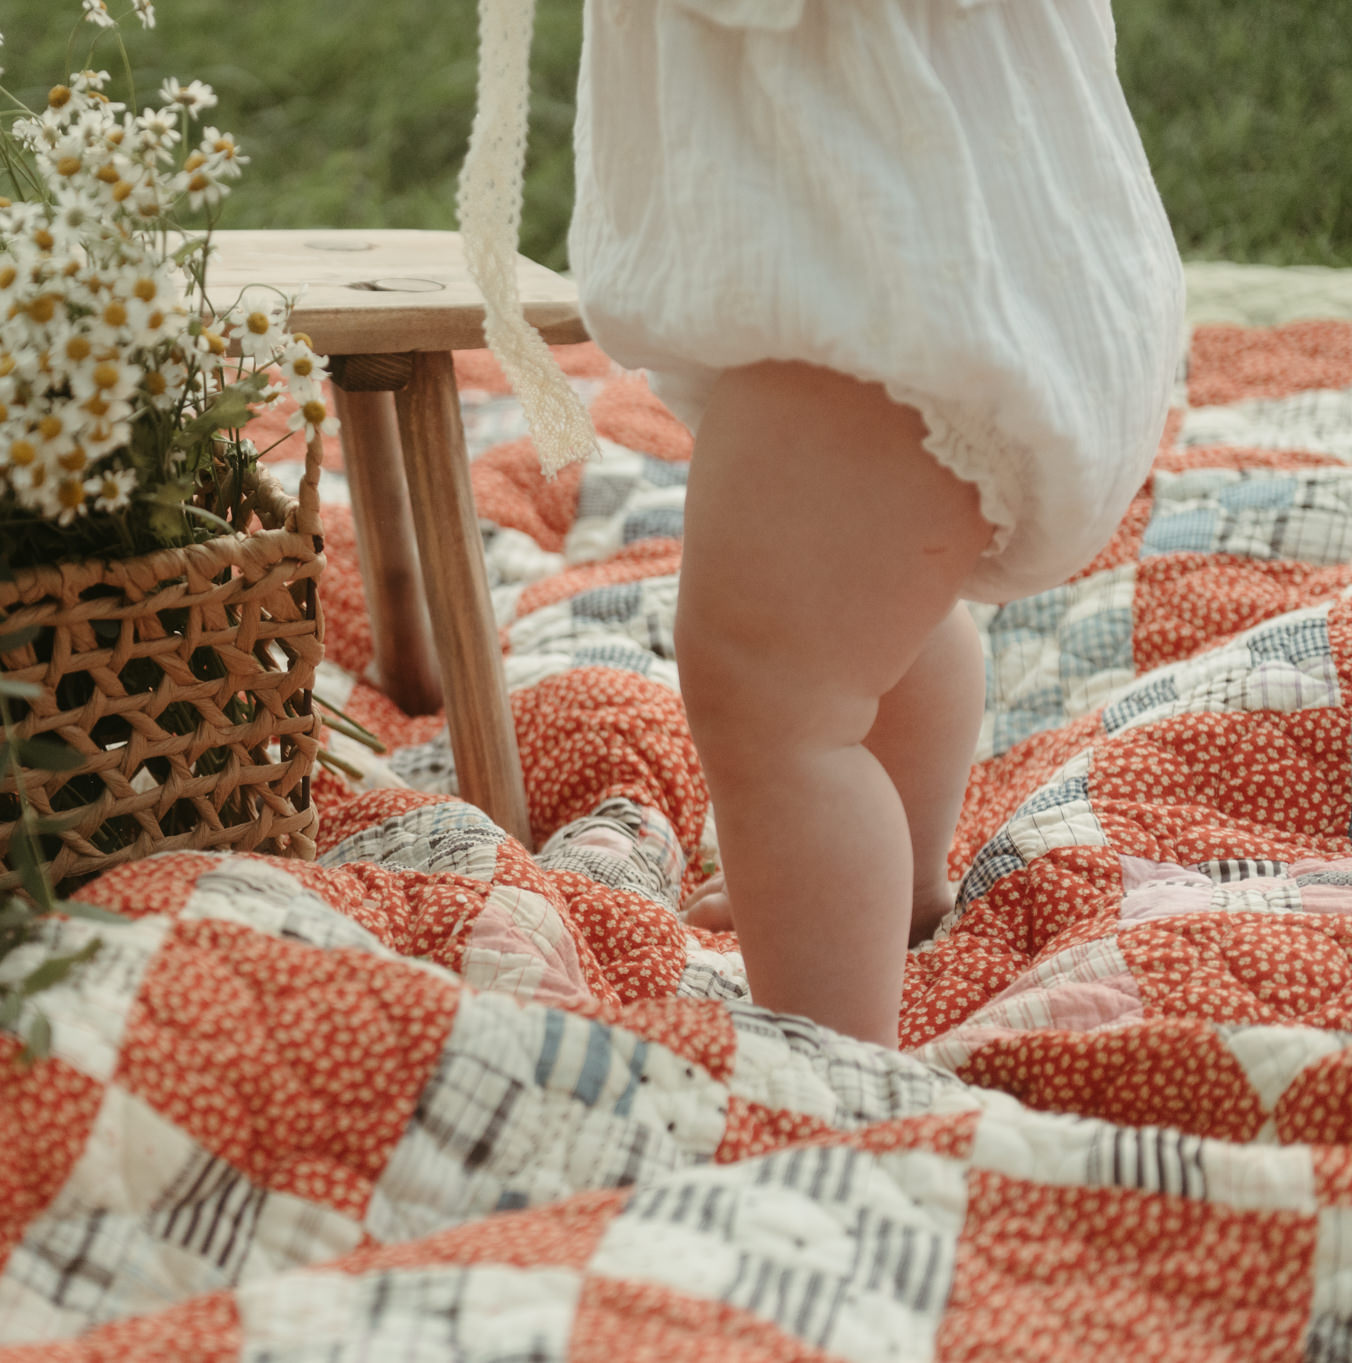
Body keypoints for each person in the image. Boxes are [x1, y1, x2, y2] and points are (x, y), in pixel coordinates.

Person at [461, 0, 1186, 1046]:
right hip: (946, 254)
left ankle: (831, 1055)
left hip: (890, 282)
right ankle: (886, 892)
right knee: (864, 622)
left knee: (770, 696)